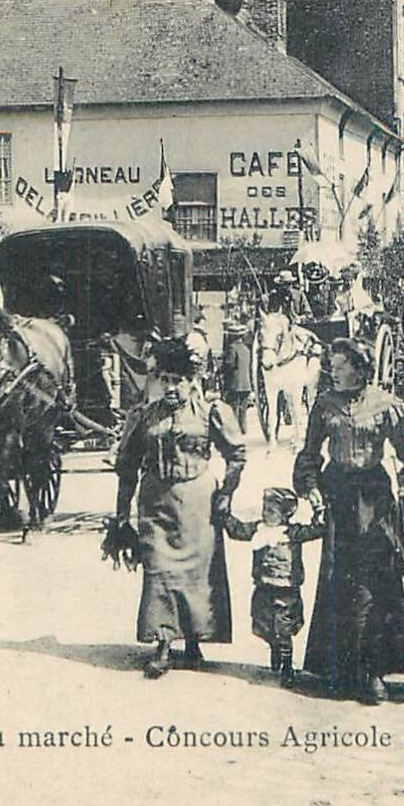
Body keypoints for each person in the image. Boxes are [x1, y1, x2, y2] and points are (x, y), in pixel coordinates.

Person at [294, 337, 404, 704]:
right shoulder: (324, 405)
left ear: (359, 368)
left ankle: (375, 670)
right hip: (338, 494)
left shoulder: (386, 405)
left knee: (375, 578)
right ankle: (339, 668)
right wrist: (310, 487)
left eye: (339, 366)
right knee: (340, 578)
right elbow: (309, 454)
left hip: (374, 495)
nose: (332, 373)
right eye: (331, 367)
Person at [114, 337, 247, 679]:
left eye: (178, 381)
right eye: (165, 381)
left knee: (198, 577)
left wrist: (227, 493)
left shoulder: (211, 412)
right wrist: (121, 514)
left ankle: (194, 643)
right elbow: (127, 466)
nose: (171, 388)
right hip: (156, 503)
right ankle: (162, 642)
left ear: (193, 382)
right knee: (158, 571)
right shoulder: (144, 416)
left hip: (198, 505)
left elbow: (236, 455)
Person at [221, 486, 325, 687]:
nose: (265, 514)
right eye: (264, 509)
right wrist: (225, 515)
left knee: (283, 628)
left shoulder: (292, 532)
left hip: (286, 591)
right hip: (263, 588)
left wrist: (318, 511)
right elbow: (237, 530)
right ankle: (275, 647)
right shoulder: (259, 530)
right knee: (263, 624)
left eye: (271, 511)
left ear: (285, 514)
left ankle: (287, 666)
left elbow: (317, 530)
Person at [221, 292, 257, 434]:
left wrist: (222, 369)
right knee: (243, 409)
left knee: (233, 407)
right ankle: (243, 429)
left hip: (235, 384)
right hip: (246, 384)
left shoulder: (232, 348)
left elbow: (229, 365)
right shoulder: (246, 349)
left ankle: (234, 429)